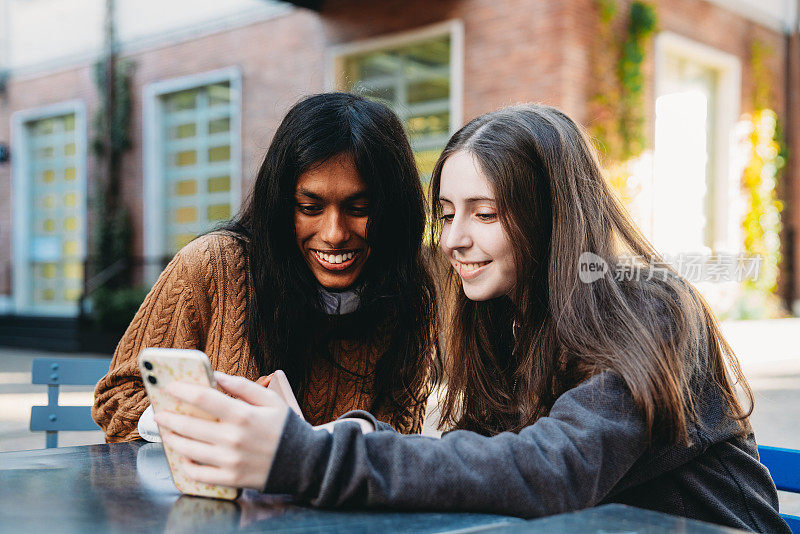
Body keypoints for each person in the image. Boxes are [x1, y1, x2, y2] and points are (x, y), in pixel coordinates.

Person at [153, 104, 789, 533]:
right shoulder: (505, 324)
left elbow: (549, 471)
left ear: (551, 219)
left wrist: (307, 458)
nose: (454, 238)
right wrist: (314, 436)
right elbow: (476, 464)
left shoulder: (649, 307)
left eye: (485, 214)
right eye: (448, 212)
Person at [92, 93, 438, 442]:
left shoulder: (408, 301)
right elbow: (117, 401)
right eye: (309, 207)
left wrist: (300, 444)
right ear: (280, 205)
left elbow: (397, 449)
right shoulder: (212, 267)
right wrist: (221, 422)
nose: (334, 234)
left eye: (359, 209)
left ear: (395, 212)